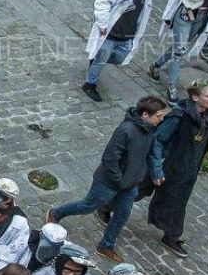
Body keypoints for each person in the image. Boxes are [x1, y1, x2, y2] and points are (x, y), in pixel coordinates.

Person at [46, 96, 168, 258]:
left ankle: (106, 245)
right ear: (145, 115)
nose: (161, 119)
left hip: (130, 183)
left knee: (122, 215)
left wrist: (156, 172)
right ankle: (56, 213)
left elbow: (152, 153)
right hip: (109, 182)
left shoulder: (151, 130)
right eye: (158, 116)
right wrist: (119, 181)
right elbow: (110, 159)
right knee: (88, 206)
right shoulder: (126, 130)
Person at [146, 80, 208, 257]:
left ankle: (171, 235)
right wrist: (156, 168)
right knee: (137, 189)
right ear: (195, 97)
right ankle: (106, 205)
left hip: (187, 171)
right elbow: (158, 140)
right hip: (166, 166)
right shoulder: (179, 117)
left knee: (177, 202)